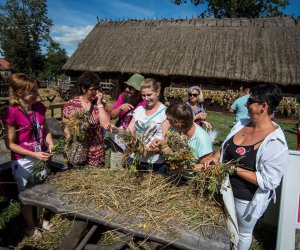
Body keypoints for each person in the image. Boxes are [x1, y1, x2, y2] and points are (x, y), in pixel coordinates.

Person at [203, 84, 289, 250]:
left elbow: (269, 181)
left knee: (241, 233)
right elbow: (226, 145)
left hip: (245, 199)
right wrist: (215, 156)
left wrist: (233, 169)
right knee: (222, 227)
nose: (245, 103)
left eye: (250, 100)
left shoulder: (276, 142)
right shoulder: (242, 123)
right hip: (222, 189)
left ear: (264, 106)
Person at [2, 73, 54, 238]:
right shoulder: (11, 113)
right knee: (26, 194)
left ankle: (41, 219)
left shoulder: (39, 108)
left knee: (42, 192)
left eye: (36, 90)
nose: (36, 95)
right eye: (32, 92)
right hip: (23, 161)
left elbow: (45, 130)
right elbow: (9, 143)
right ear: (19, 93)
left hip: (40, 156)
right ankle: (30, 226)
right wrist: (34, 154)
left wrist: (51, 143)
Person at [63, 71, 110, 167]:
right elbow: (65, 124)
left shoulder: (101, 104)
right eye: (93, 89)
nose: (97, 92)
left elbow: (106, 124)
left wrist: (100, 104)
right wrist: (68, 133)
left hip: (96, 151)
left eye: (98, 89)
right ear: (84, 89)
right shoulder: (71, 105)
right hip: (77, 150)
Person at [126, 78, 170, 173]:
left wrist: (147, 149)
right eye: (143, 95)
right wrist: (117, 131)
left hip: (155, 163)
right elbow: (129, 130)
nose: (146, 98)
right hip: (135, 159)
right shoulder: (139, 110)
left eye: (149, 94)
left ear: (157, 93)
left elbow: (166, 141)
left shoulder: (165, 113)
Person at [110, 73, 145, 169]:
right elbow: (112, 116)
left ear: (139, 91)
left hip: (134, 142)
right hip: (118, 139)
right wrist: (120, 108)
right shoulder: (123, 96)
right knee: (116, 168)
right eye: (127, 86)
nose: (127, 89)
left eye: (131, 88)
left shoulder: (144, 102)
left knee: (131, 169)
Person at [165, 102, 213, 167]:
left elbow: (206, 166)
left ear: (178, 123)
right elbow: (166, 143)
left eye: (169, 118)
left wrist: (186, 168)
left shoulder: (202, 139)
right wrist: (160, 144)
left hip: (191, 176)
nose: (167, 119)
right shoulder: (173, 128)